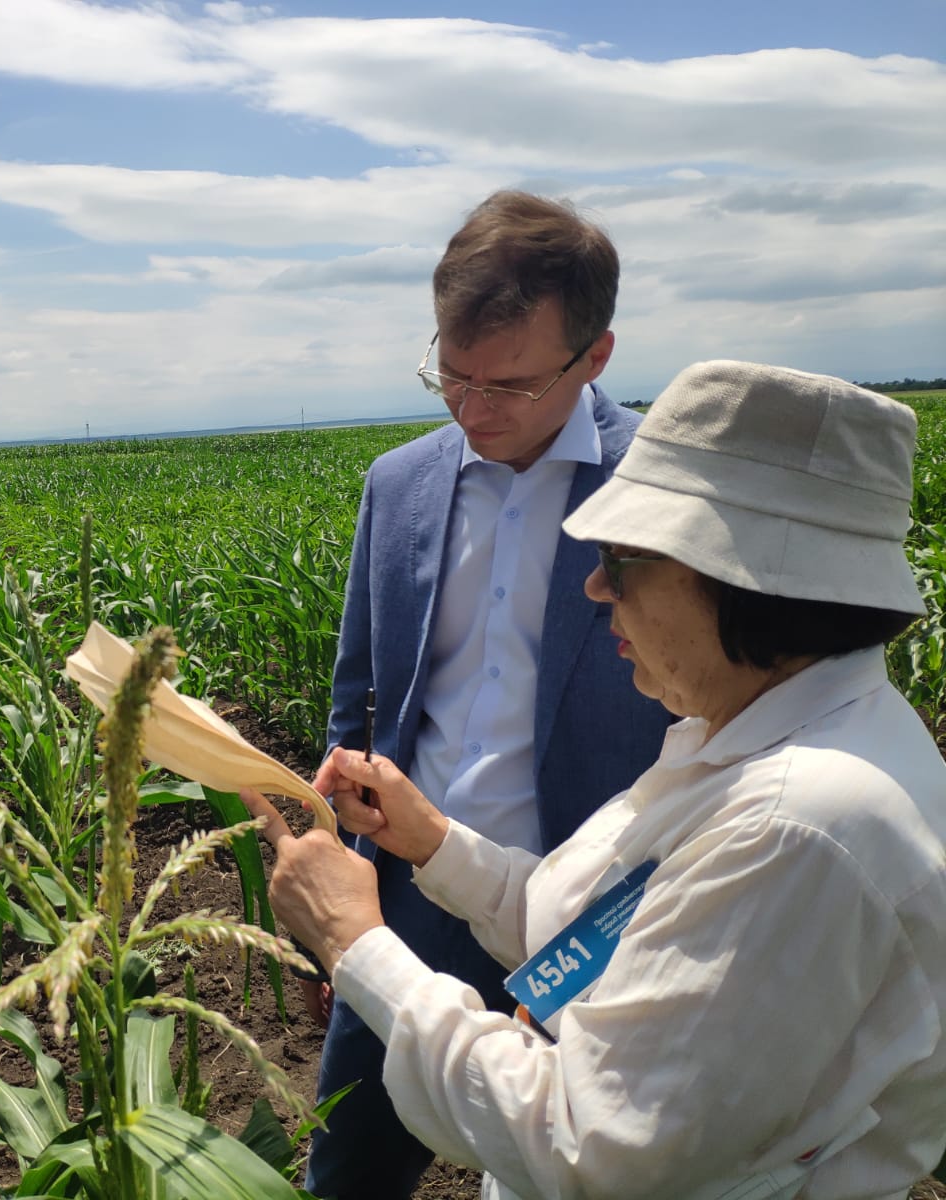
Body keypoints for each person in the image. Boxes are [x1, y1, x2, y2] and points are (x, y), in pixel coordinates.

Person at [247, 361, 946, 1198]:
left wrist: (353, 941)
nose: (594, 585)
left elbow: (586, 1143)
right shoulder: (742, 741)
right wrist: (434, 843)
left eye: (623, 559)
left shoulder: (799, 828)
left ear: (741, 577)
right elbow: (596, 938)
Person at [309, 189, 673, 1197]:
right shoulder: (400, 482)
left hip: (588, 915)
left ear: (594, 357)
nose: (472, 413)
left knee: (558, 1174)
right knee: (350, 1164)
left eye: (507, 387)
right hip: (410, 896)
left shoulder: (668, 489)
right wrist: (347, 859)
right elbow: (363, 696)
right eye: (451, 377)